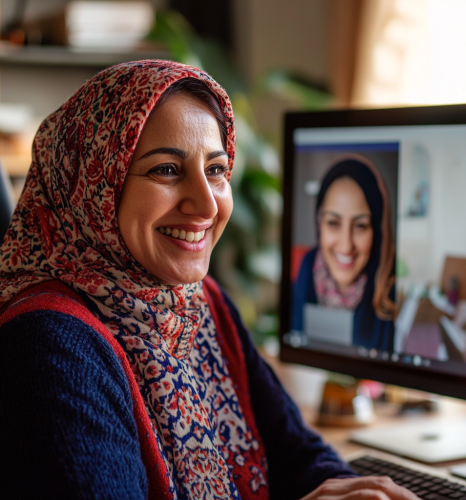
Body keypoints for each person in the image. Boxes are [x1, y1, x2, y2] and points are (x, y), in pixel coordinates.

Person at [0, 61, 414, 500]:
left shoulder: (201, 303)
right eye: (166, 170)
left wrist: (360, 493)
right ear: (92, 185)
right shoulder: (49, 345)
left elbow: (298, 455)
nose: (206, 206)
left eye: (216, 170)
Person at [292, 155, 395, 351]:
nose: (346, 246)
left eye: (361, 226)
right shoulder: (308, 265)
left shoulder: (391, 288)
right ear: (319, 223)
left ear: (378, 230)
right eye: (333, 223)